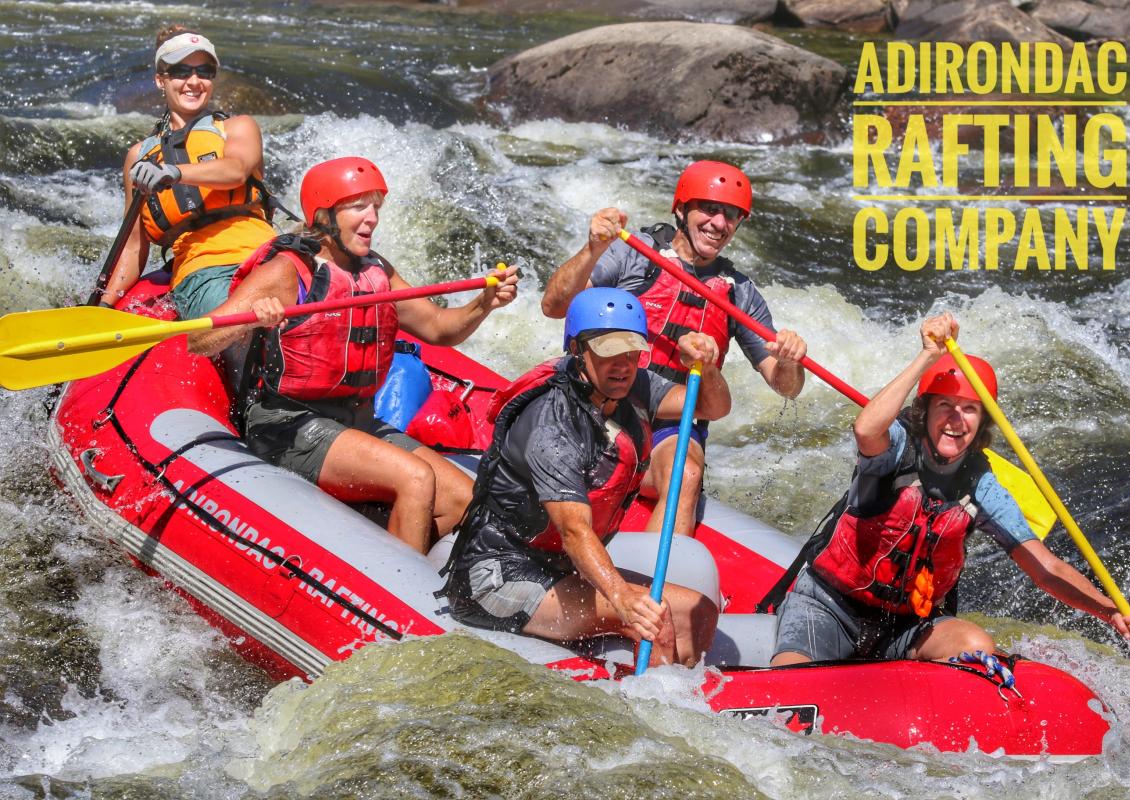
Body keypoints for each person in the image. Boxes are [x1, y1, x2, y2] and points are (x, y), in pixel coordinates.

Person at [771, 312, 1130, 667]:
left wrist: (1111, 612)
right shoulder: (897, 450)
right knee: (789, 683)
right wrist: (927, 356)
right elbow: (866, 429)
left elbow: (1046, 569)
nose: (956, 419)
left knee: (976, 644)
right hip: (829, 607)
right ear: (927, 411)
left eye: (969, 409)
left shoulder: (981, 486)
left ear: (982, 420)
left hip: (905, 628)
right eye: (946, 405)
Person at [187, 156, 519, 554]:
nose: (372, 218)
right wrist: (253, 319)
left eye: (376, 206)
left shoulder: (375, 270)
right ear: (325, 216)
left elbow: (438, 328)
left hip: (357, 421)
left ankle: (379, 553)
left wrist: (484, 303)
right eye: (359, 206)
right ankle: (400, 598)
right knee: (415, 478)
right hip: (289, 425)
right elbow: (199, 341)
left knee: (464, 498)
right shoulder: (289, 270)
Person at [443, 288, 728, 666]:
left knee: (700, 610)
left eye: (632, 353)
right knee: (655, 621)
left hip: (559, 566)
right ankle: (654, 712)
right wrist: (622, 597)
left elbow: (713, 407)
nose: (623, 365)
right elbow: (575, 531)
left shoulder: (633, 385)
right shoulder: (552, 422)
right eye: (610, 353)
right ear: (577, 349)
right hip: (499, 574)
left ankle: (689, 692)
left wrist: (706, 368)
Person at [541, 160, 809, 536]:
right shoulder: (633, 253)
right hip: (601, 399)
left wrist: (790, 360)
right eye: (710, 209)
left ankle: (653, 587)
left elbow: (786, 386)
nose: (719, 224)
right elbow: (554, 306)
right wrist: (592, 250)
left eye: (731, 216)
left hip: (671, 421)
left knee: (688, 474)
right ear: (681, 209)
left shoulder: (739, 292)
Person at [98, 25, 277, 319]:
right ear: (160, 79)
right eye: (181, 71)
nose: (194, 82)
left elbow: (236, 170)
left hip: (267, 256)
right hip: (203, 271)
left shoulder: (238, 127)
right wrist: (104, 306)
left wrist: (173, 173)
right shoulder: (139, 157)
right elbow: (132, 249)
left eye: (204, 72)